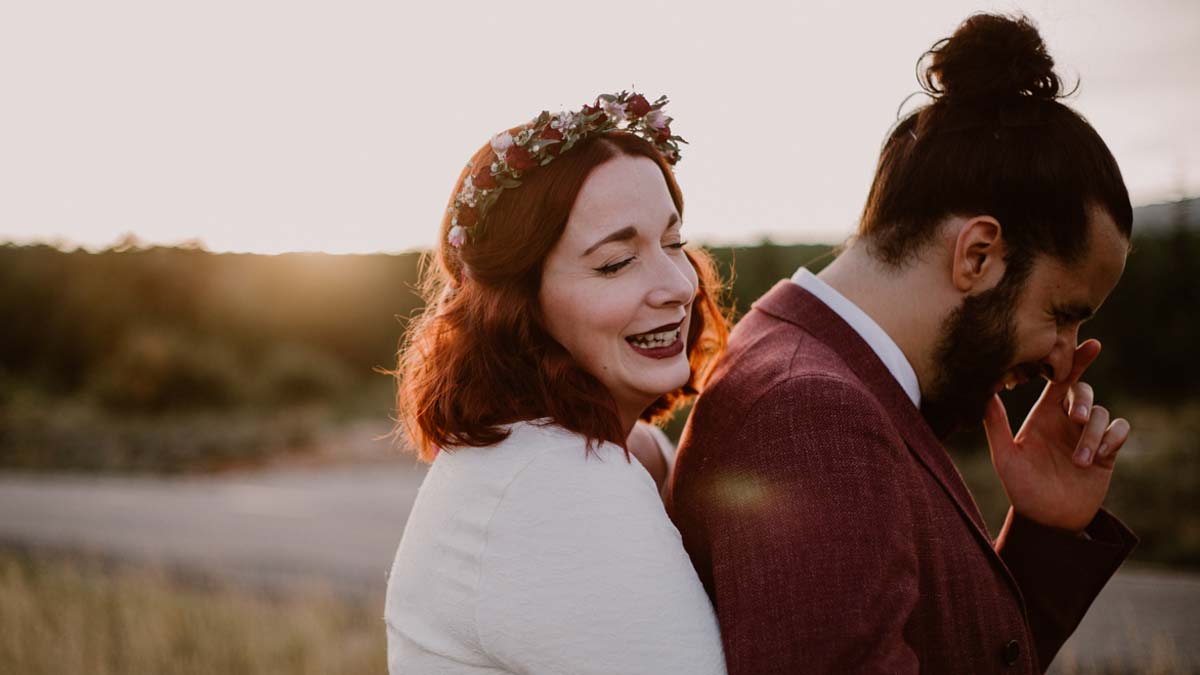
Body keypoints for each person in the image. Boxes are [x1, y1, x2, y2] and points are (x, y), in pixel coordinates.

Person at [667, 14, 1138, 674]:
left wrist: (1046, 530)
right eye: (1062, 314)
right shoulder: (813, 416)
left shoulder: (819, 373)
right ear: (977, 254)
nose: (1066, 356)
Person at [384, 92, 729, 674]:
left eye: (673, 243)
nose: (676, 284)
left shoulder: (609, 450)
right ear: (520, 306)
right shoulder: (559, 484)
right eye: (616, 262)